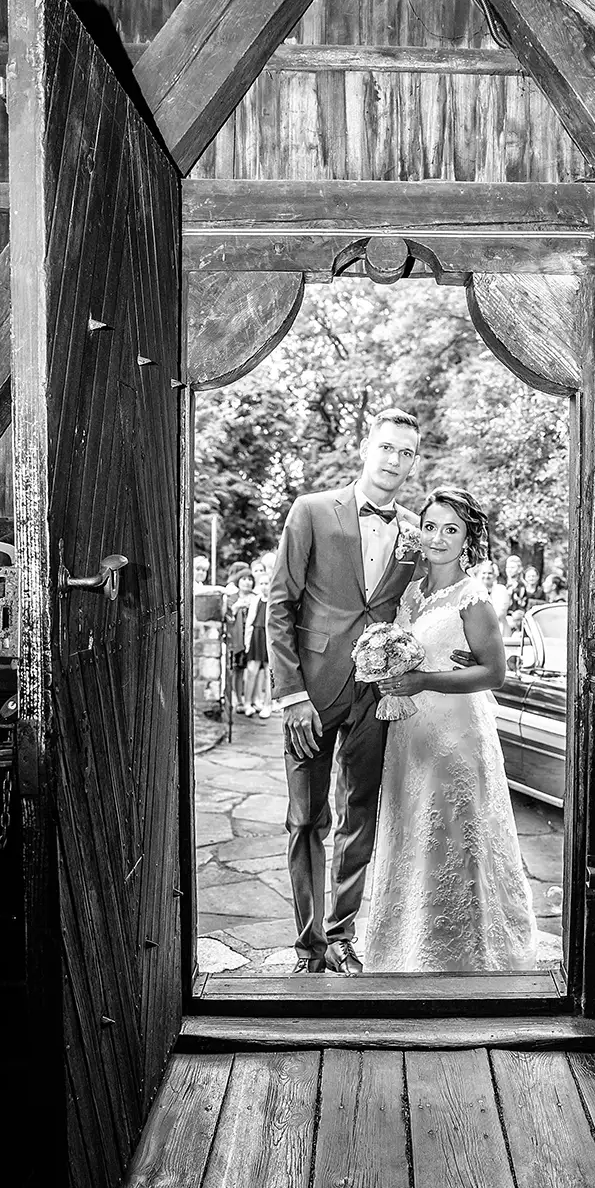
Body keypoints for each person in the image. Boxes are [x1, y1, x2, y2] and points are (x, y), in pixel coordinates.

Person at [268, 408, 422, 974]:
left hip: (377, 694)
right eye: (387, 447)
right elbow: (279, 605)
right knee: (305, 819)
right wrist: (291, 696)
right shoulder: (311, 510)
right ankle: (307, 945)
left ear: (413, 463)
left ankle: (340, 935)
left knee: (359, 813)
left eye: (406, 453)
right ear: (365, 448)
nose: (394, 460)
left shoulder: (415, 530)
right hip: (311, 692)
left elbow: (414, 602)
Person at [364, 487, 537, 973]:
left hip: (455, 733)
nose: (438, 537)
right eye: (431, 526)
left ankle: (464, 951)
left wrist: (424, 680)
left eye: (451, 529)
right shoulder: (410, 591)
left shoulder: (472, 597)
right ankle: (408, 943)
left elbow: (494, 673)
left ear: (467, 540)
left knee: (453, 832)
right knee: (413, 829)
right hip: (410, 731)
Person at [242, 565, 272, 718]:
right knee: (252, 670)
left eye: (267, 583)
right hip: (256, 636)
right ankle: (247, 703)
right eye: (262, 584)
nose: (264, 586)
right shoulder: (256, 600)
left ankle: (267, 705)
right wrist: (247, 643)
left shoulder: (274, 601)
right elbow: (249, 622)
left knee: (269, 672)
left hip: (269, 637)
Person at [226, 567, 255, 712]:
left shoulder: (256, 597)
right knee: (237, 670)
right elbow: (227, 618)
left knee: (253, 671)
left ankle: (252, 700)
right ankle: (237, 700)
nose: (247, 582)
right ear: (238, 581)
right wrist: (237, 607)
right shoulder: (232, 598)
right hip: (236, 640)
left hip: (253, 640)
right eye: (244, 579)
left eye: (250, 579)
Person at [472, 558, 510, 637]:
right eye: (484, 573)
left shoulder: (501, 590)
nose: (486, 576)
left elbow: (501, 612)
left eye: (490, 573)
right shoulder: (474, 591)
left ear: (494, 575)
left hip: (500, 630)